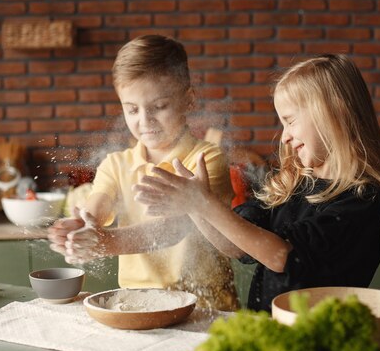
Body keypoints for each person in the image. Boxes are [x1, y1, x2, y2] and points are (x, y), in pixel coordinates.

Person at [133, 54, 380, 313]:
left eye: (290, 121)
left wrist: (203, 202)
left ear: (334, 113)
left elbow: (281, 257)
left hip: (318, 339)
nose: (284, 136)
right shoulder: (294, 184)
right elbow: (234, 245)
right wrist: (196, 207)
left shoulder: (361, 198)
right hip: (271, 329)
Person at [47, 34, 239, 311]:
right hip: (137, 305)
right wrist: (81, 227)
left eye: (159, 107)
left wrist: (105, 243)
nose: (144, 121)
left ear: (188, 100)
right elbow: (97, 208)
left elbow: (175, 227)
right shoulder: (115, 164)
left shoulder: (206, 159)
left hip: (206, 308)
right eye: (132, 109)